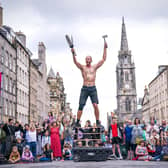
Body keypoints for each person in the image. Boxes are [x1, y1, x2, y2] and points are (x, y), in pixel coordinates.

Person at [70, 40, 107, 127]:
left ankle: (98, 121)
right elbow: (75, 62)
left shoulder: (94, 67)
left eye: (89, 59)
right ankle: (77, 122)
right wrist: (72, 53)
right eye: (86, 59)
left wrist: (105, 48)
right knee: (81, 105)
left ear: (91, 60)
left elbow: (103, 59)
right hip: (85, 88)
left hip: (93, 88)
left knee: (95, 104)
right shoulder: (83, 67)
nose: (87, 60)